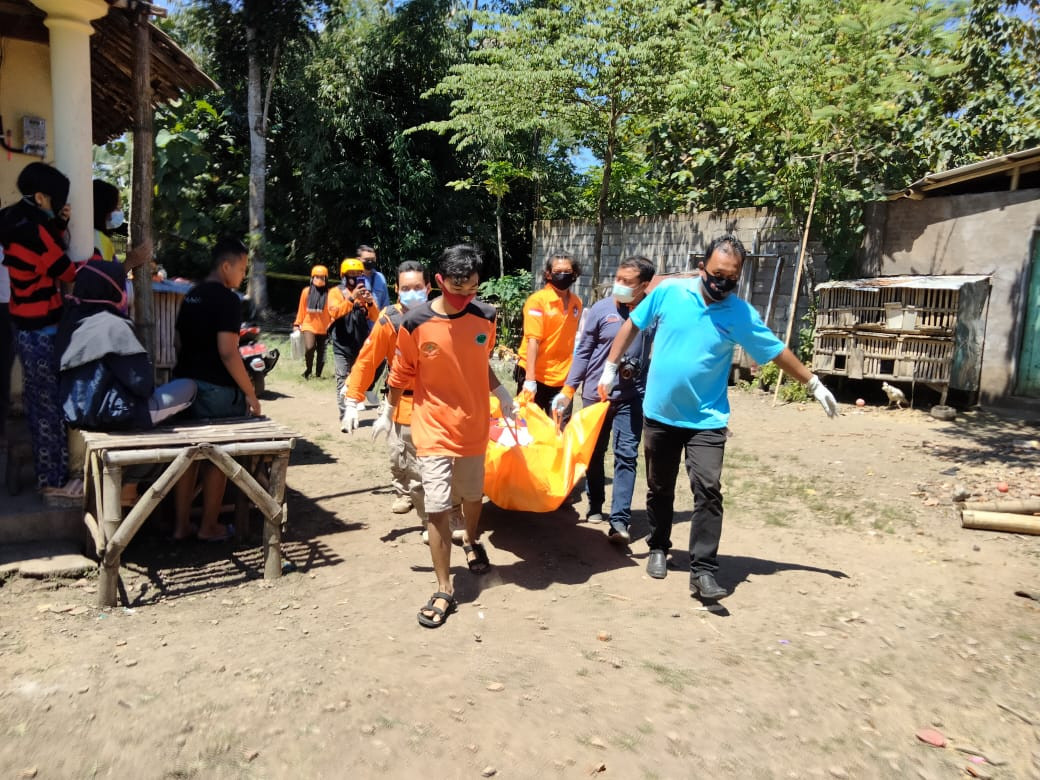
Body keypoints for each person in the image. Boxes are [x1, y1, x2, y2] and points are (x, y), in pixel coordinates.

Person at [598, 234, 838, 600]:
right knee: (660, 487)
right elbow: (633, 323)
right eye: (716, 273)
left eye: (731, 277)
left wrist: (813, 383)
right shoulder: (670, 293)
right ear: (701, 267)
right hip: (660, 412)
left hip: (707, 418)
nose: (722, 282)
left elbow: (774, 350)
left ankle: (704, 569)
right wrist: (610, 366)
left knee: (708, 490)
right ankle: (660, 545)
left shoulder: (740, 313)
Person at [379, 244, 515, 628]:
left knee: (473, 497)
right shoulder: (415, 322)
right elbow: (403, 369)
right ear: (439, 282)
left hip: (473, 426)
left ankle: (471, 539)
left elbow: (480, 361)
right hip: (432, 426)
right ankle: (444, 588)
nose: (464, 298)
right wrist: (388, 409)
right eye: (457, 291)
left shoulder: (485, 316)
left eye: (471, 289)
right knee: (438, 506)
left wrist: (500, 392)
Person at [553, 255, 656, 541]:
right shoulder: (600, 310)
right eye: (618, 279)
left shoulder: (653, 311)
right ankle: (595, 504)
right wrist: (568, 389)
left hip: (631, 396)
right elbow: (583, 352)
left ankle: (620, 520)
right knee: (595, 452)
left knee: (626, 454)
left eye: (627, 282)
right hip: (596, 397)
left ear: (644, 285)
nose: (619, 285)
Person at [342, 260, 448, 533]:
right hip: (404, 405)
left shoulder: (443, 315)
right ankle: (430, 522)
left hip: (440, 404)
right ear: (398, 290)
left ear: (428, 287)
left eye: (417, 287)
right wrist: (353, 400)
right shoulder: (390, 319)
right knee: (411, 468)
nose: (412, 292)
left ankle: (450, 515)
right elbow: (368, 360)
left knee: (444, 465)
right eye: (405, 288)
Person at [0, 162, 80, 497]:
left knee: (36, 405)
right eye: (55, 200)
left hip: (23, 328)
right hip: (44, 330)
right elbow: (67, 272)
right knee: (50, 408)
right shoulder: (38, 233)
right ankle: (54, 482)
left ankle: (49, 476)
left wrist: (57, 224)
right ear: (40, 197)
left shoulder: (10, 219)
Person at [171, 237, 259, 542]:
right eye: (242, 268)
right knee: (217, 458)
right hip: (216, 391)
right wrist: (249, 391)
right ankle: (209, 526)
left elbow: (178, 343)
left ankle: (181, 526)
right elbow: (228, 351)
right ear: (226, 266)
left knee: (187, 457)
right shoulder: (227, 299)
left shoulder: (191, 295)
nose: (243, 275)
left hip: (183, 386)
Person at [57, 260, 196, 430]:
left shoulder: (69, 323)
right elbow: (142, 385)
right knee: (189, 386)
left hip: (76, 415)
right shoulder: (115, 326)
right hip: (118, 416)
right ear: (113, 289)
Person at [515, 251, 583, 423]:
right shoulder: (537, 301)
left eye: (568, 272)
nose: (563, 275)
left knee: (559, 427)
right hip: (535, 375)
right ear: (548, 274)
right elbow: (533, 341)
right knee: (529, 427)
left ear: (575, 274)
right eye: (558, 271)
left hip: (562, 377)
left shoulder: (577, 303)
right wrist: (530, 380)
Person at [328, 257, 378, 418]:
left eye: (359, 273)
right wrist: (351, 298)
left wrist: (369, 303)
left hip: (360, 344)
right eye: (352, 274)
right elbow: (334, 312)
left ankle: (353, 407)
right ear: (344, 275)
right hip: (341, 343)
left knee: (358, 377)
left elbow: (375, 317)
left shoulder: (364, 293)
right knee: (342, 377)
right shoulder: (336, 292)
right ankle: (344, 414)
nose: (355, 277)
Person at [293, 264, 333, 379]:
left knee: (322, 352)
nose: (319, 279)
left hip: (325, 327)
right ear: (312, 278)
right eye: (317, 277)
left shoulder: (330, 294)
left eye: (322, 277)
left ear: (326, 278)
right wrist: (297, 323)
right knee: (309, 348)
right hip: (309, 325)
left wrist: (333, 325)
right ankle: (308, 370)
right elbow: (301, 309)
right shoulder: (306, 292)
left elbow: (333, 311)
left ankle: (318, 374)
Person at [358, 244, 391, 310]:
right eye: (367, 259)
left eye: (373, 259)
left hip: (377, 319)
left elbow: (385, 304)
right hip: (358, 319)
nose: (370, 262)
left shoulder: (380, 277)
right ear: (358, 259)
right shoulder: (352, 278)